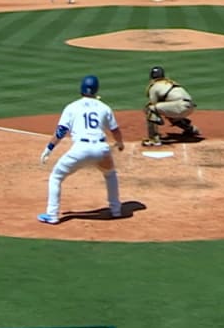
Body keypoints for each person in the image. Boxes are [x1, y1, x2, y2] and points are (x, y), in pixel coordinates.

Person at [37, 75, 125, 224]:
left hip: (80, 150)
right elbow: (115, 130)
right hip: (101, 149)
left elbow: (61, 131)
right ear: (96, 89)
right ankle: (116, 210)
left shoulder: (72, 107)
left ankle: (52, 214)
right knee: (110, 174)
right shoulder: (104, 107)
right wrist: (120, 143)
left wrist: (49, 148)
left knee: (56, 177)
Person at [143, 65, 200, 146]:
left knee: (150, 109)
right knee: (168, 110)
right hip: (190, 106)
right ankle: (191, 129)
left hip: (179, 107)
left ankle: (154, 139)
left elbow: (153, 103)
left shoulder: (154, 86)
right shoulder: (169, 82)